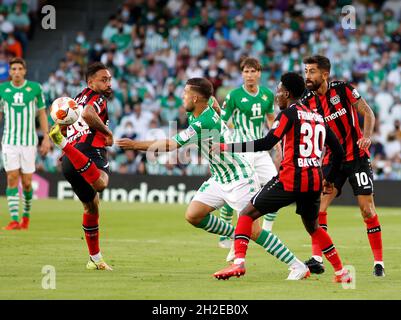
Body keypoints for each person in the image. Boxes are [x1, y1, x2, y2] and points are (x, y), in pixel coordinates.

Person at [116, 77, 309, 280]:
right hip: (219, 177)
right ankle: (237, 234)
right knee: (193, 215)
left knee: (255, 231)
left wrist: (134, 145)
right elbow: (214, 106)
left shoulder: (202, 121)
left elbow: (171, 145)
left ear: (196, 97)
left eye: (185, 93)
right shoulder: (200, 113)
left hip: (239, 177)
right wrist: (214, 102)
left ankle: (297, 265)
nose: (182, 96)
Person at [213, 72, 352, 283]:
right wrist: (329, 179)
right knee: (313, 227)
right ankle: (341, 272)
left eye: (278, 90)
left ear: (286, 93)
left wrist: (227, 147)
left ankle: (238, 263)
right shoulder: (318, 117)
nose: (276, 95)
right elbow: (339, 152)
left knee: (247, 213)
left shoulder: (289, 114)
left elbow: (267, 142)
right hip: (314, 180)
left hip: (291, 178)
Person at [302, 55, 384, 277]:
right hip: (332, 160)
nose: (307, 76)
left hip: (357, 156)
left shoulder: (343, 89)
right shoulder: (307, 101)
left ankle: (378, 263)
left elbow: (367, 112)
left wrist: (366, 136)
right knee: (318, 209)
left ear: (324, 74)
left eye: (312, 71)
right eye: (306, 71)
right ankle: (317, 258)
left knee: (367, 210)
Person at [48, 62, 114, 271]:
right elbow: (87, 114)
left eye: (109, 79)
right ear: (90, 82)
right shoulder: (96, 99)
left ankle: (95, 259)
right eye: (104, 80)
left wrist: (68, 149)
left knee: (91, 205)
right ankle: (64, 145)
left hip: (71, 160)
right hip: (90, 152)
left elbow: (70, 124)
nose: (108, 83)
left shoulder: (75, 100)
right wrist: (108, 132)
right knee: (101, 184)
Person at [215, 57, 280, 249]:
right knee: (236, 193)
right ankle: (228, 235)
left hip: (259, 149)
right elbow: (223, 123)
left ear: (259, 73)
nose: (249, 75)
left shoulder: (267, 94)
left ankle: (266, 231)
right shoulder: (234, 95)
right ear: (242, 74)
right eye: (246, 72)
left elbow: (270, 119)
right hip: (240, 150)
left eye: (253, 71)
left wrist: (277, 142)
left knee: (276, 185)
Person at [0, 57, 50, 230]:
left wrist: (46, 137)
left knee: (27, 183)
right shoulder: (2, 89)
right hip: (9, 141)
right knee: (12, 178)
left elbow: (42, 114)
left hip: (29, 142)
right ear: (10, 71)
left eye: (19, 69)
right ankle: (14, 220)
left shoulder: (35, 88)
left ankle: (26, 217)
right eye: (13, 69)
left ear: (24, 70)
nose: (16, 72)